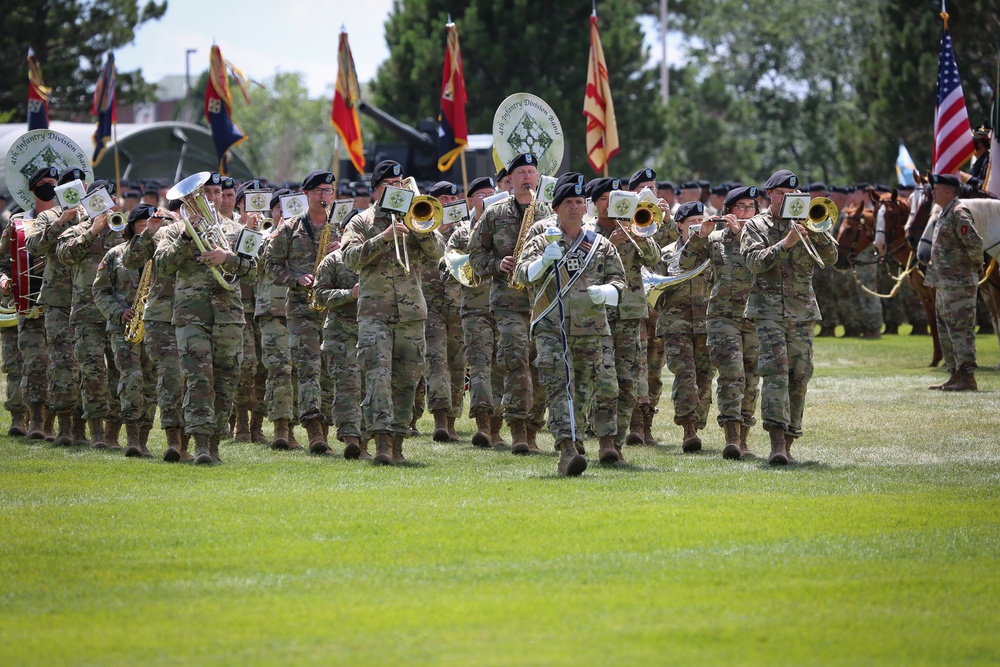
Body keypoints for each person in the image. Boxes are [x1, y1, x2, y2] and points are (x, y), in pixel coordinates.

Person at [514, 181, 626, 475]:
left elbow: (619, 282)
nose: (574, 208)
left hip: (591, 327)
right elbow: (521, 274)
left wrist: (607, 292)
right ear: (556, 209)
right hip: (551, 326)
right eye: (568, 203)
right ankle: (566, 447)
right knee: (559, 386)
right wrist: (542, 263)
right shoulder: (542, 238)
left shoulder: (600, 244)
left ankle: (577, 442)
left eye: (579, 202)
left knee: (584, 389)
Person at [341, 160, 444, 465]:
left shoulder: (415, 216)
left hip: (412, 313)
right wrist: (382, 238)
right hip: (375, 313)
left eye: (401, 183)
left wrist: (421, 229)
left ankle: (398, 443)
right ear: (376, 189)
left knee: (407, 380)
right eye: (390, 183)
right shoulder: (361, 221)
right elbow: (349, 259)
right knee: (378, 378)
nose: (397, 188)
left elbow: (437, 253)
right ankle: (381, 443)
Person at [155, 173, 256, 465]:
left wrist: (229, 259)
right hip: (191, 315)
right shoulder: (174, 231)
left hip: (228, 317)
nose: (210, 198)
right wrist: (187, 237)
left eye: (215, 192)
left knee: (226, 382)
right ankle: (199, 445)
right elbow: (162, 266)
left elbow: (256, 268)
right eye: (205, 192)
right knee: (198, 379)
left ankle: (214, 445)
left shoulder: (236, 230)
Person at [741, 169, 837, 465]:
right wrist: (787, 243)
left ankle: (791, 440)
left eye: (793, 194)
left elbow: (832, 257)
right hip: (768, 312)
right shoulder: (757, 225)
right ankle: (777, 444)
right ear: (769, 194)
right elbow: (753, 262)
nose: (787, 198)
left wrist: (815, 233)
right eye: (781, 193)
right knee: (774, 374)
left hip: (802, 312)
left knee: (799, 376)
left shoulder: (809, 221)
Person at [468, 153, 553, 453]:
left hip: (543, 301)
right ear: (511, 178)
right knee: (515, 359)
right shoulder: (494, 213)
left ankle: (533, 430)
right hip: (507, 300)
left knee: (543, 365)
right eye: (521, 172)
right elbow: (474, 256)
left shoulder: (549, 214)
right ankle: (517, 429)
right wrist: (495, 264)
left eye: (532, 172)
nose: (527, 177)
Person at [681, 186, 760, 459]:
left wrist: (743, 235)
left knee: (751, 380)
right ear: (727, 212)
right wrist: (698, 237)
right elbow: (685, 265)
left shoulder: (762, 239)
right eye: (741, 207)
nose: (747, 212)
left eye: (752, 207)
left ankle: (745, 438)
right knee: (731, 375)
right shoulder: (714, 240)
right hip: (722, 317)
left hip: (754, 317)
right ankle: (732, 438)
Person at [265, 170, 339, 456]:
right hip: (301, 308)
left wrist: (343, 250)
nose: (324, 196)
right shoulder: (289, 228)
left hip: (333, 307)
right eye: (319, 191)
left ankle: (331, 427)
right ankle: (314, 432)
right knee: (308, 369)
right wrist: (295, 277)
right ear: (306, 194)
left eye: (328, 191)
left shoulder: (341, 228)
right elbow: (271, 265)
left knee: (331, 371)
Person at [590, 177, 659, 463]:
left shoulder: (633, 226)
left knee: (629, 384)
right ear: (595, 204)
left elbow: (653, 257)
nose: (611, 203)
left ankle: (617, 442)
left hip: (630, 315)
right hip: (599, 316)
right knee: (605, 381)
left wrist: (639, 235)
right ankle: (605, 441)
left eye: (615, 197)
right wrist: (608, 243)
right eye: (605, 198)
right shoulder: (587, 233)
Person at [56, 180, 124, 449]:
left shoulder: (123, 227)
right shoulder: (78, 230)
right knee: (93, 372)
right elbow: (64, 255)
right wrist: (92, 231)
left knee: (120, 373)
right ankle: (95, 431)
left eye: (110, 197)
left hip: (120, 312)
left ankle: (113, 434)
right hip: (87, 313)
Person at [24, 168, 87, 444]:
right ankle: (61, 425)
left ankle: (84, 427)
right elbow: (34, 246)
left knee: (88, 365)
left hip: (89, 301)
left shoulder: (95, 217)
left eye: (83, 186)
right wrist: (63, 220)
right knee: (62, 363)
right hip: (59, 301)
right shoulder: (49, 216)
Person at [122, 200, 189, 460]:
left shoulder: (210, 232)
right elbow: (130, 259)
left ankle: (185, 443)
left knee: (190, 381)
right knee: (167, 378)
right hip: (162, 317)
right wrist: (150, 229)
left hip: (196, 316)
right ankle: (164, 441)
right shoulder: (162, 232)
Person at [93, 203, 159, 457]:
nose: (148, 231)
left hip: (154, 326)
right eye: (142, 225)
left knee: (151, 382)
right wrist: (119, 311)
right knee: (131, 378)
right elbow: (99, 291)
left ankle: (143, 439)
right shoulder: (115, 255)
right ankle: (130, 437)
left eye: (151, 226)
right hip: (123, 327)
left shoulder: (162, 254)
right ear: (131, 227)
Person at [446, 176, 506, 447]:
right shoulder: (461, 231)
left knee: (501, 369)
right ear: (471, 200)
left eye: (492, 194)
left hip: (504, 306)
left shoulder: (504, 229)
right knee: (480, 366)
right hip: (474, 309)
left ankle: (497, 428)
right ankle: (482, 425)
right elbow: (448, 265)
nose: (488, 199)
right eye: (482, 195)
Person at [654, 201, 715, 453]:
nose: (697, 225)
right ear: (679, 225)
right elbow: (655, 285)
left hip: (706, 323)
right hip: (676, 323)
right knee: (685, 375)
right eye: (692, 221)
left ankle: (697, 421)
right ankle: (688, 428)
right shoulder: (667, 252)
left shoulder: (713, 249)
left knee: (705, 378)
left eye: (701, 220)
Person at [313, 210, 366, 459]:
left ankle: (366, 438)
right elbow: (319, 296)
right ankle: (351, 438)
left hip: (370, 332)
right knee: (348, 386)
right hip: (340, 334)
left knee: (369, 387)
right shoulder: (332, 261)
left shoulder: (375, 259)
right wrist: (349, 294)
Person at [925, 173, 983, 391]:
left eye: (937, 188)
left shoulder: (959, 212)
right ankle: (954, 374)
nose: (933, 191)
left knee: (960, 328)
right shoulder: (943, 213)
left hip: (959, 283)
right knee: (946, 329)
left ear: (949, 191)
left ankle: (967, 377)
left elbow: (974, 243)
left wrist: (974, 266)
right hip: (944, 282)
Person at [254, 188, 302, 451]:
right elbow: (256, 260)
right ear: (271, 212)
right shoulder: (263, 235)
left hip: (300, 311)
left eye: (291, 207)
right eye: (279, 208)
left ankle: (293, 428)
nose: (285, 212)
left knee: (296, 372)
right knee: (280, 370)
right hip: (272, 311)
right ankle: (280, 429)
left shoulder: (304, 235)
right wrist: (279, 231)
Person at [421, 180, 466, 442]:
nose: (449, 205)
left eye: (453, 200)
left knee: (457, 363)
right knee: (436, 359)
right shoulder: (424, 228)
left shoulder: (465, 231)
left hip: (458, 305)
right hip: (430, 304)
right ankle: (439, 418)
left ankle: (451, 420)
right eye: (444, 201)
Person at [967, 126, 991, 191]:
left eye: (974, 140)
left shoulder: (988, 160)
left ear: (982, 143)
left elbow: (985, 185)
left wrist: (967, 178)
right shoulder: (978, 161)